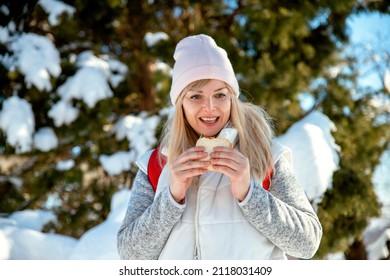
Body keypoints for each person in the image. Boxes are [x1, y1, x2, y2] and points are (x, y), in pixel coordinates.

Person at [117, 34, 322, 260]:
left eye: (220, 95)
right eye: (196, 96)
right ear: (180, 104)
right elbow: (131, 256)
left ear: (232, 98)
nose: (210, 108)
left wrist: (250, 194)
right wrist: (171, 197)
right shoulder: (156, 165)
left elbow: (307, 243)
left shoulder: (266, 157)